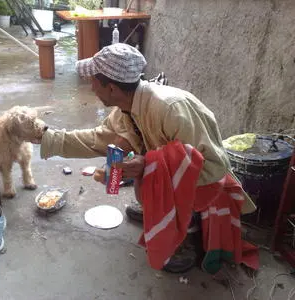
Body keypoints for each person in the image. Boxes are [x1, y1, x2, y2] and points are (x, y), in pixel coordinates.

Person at [34, 43, 257, 273]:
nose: (91, 88)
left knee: (149, 173)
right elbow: (96, 139)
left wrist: (149, 166)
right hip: (173, 176)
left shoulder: (170, 109)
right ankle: (159, 207)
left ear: (111, 88)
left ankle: (185, 236)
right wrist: (47, 138)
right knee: (138, 165)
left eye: (93, 82)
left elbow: (211, 166)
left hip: (206, 180)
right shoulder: (125, 108)